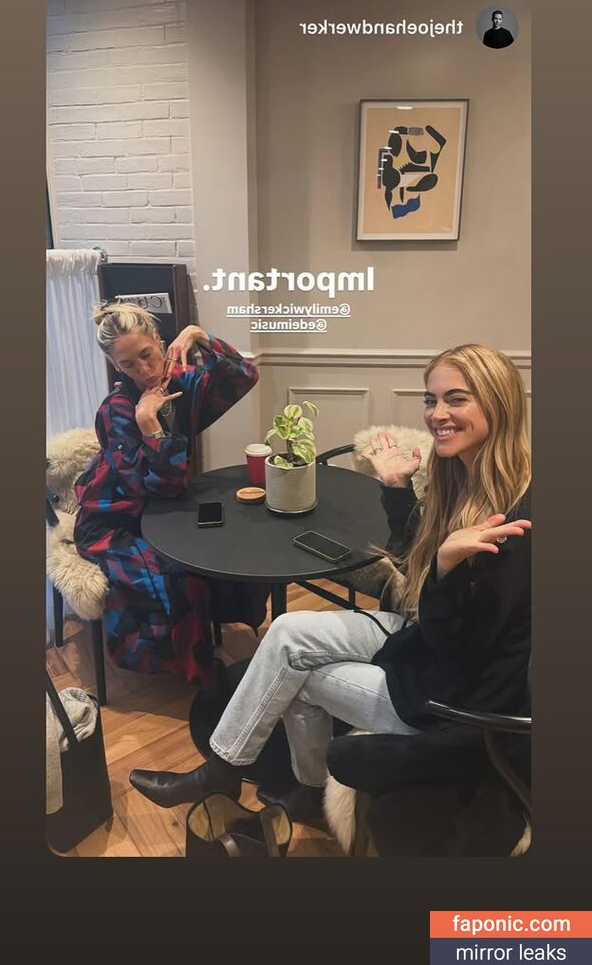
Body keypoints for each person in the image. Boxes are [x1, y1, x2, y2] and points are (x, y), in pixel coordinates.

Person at [130, 344, 531, 820]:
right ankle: (223, 770)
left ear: (499, 403)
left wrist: (444, 571)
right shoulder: (464, 475)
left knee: (297, 677)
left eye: (456, 399)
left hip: (454, 700)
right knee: (287, 631)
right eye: (431, 400)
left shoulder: (519, 520)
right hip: (426, 644)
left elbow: (463, 647)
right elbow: (417, 564)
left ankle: (304, 792)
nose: (437, 414)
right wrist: (398, 492)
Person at [74, 301, 268, 685]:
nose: (144, 370)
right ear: (115, 366)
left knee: (234, 547)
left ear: (159, 339)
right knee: (180, 578)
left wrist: (199, 334)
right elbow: (154, 486)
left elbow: (244, 374)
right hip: (115, 519)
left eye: (147, 354)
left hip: (163, 510)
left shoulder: (183, 383)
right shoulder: (117, 411)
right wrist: (150, 427)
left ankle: (220, 637)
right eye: (129, 364)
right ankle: (197, 673)